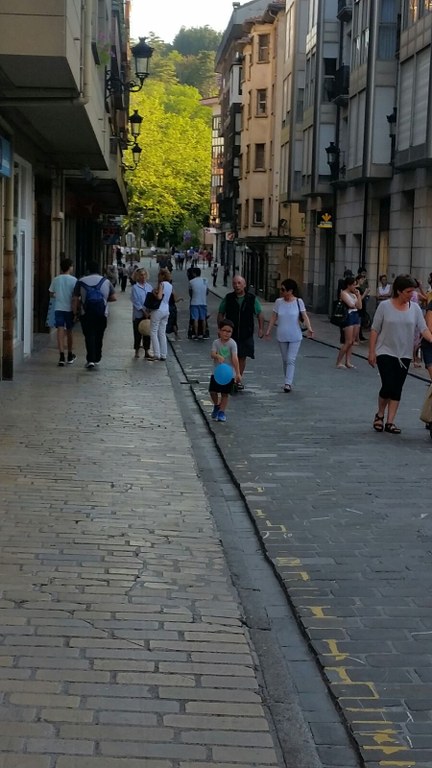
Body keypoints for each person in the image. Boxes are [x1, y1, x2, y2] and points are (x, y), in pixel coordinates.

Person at [368, 274, 432, 434]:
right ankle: (380, 414)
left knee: (397, 388)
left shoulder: (415, 308)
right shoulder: (384, 306)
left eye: (413, 291)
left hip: (404, 354)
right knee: (388, 386)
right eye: (409, 291)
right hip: (385, 351)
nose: (412, 295)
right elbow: (375, 329)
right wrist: (371, 351)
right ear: (398, 291)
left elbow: (424, 329)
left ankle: (390, 422)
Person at [264, 278, 313, 392]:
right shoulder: (278, 302)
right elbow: (273, 317)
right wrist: (268, 330)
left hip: (295, 335)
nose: (281, 292)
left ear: (290, 291)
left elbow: (304, 316)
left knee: (291, 359)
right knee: (285, 359)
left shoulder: (298, 301)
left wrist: (310, 328)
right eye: (280, 289)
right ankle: (287, 380)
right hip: (282, 335)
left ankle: (288, 383)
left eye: (283, 289)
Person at [217, 275, 264, 389]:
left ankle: (238, 379)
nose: (236, 286)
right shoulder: (228, 298)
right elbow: (221, 313)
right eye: (234, 283)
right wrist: (220, 328)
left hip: (245, 332)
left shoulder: (251, 298)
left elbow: (260, 313)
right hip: (230, 333)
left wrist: (261, 328)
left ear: (244, 285)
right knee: (230, 356)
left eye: (239, 283)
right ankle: (230, 377)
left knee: (242, 357)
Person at [73, 260, 116, 369]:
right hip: (102, 313)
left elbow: (75, 299)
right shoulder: (106, 281)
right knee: (99, 335)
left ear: (88, 270)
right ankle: (97, 357)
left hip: (86, 313)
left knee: (89, 335)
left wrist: (75, 312)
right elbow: (114, 297)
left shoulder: (81, 281)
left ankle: (90, 359)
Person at [209, 319, 241, 423]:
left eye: (229, 331)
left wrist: (237, 373)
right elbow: (212, 354)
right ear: (219, 331)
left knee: (224, 393)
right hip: (216, 372)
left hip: (228, 374)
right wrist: (217, 356)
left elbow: (235, 358)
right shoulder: (216, 342)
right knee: (213, 391)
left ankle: (222, 412)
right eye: (224, 330)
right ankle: (216, 405)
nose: (226, 333)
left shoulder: (232, 344)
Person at [49, 257, 77, 367]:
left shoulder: (56, 279)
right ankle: (69, 354)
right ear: (70, 267)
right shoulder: (74, 280)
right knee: (69, 332)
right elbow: (75, 296)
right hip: (69, 309)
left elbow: (51, 293)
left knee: (60, 331)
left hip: (58, 308)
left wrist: (58, 296)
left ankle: (61, 356)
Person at [335, 276, 362, 369]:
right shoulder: (343, 293)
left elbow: (360, 306)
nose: (355, 287)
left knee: (352, 341)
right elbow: (351, 305)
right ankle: (339, 361)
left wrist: (358, 296)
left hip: (355, 316)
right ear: (349, 285)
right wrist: (356, 304)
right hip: (348, 316)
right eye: (354, 285)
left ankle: (348, 361)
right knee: (348, 341)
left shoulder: (355, 294)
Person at [130, 268, 154, 360]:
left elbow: (151, 299)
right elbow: (135, 301)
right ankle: (136, 350)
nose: (143, 277)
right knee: (137, 332)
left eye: (144, 275)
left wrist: (149, 311)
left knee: (147, 332)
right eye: (141, 275)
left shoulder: (149, 287)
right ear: (137, 276)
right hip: (138, 314)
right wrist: (143, 311)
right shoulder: (135, 288)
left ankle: (147, 351)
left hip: (148, 313)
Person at [150, 268, 173, 361]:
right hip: (166, 310)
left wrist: (153, 293)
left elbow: (159, 297)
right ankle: (164, 354)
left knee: (153, 331)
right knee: (162, 332)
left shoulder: (162, 284)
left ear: (162, 275)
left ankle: (156, 354)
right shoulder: (170, 285)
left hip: (158, 309)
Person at [189, 267, 209, 339]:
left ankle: (196, 334)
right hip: (203, 302)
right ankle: (204, 334)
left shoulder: (191, 282)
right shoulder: (205, 280)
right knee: (203, 318)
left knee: (195, 319)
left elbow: (190, 293)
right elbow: (207, 292)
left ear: (194, 273)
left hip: (194, 302)